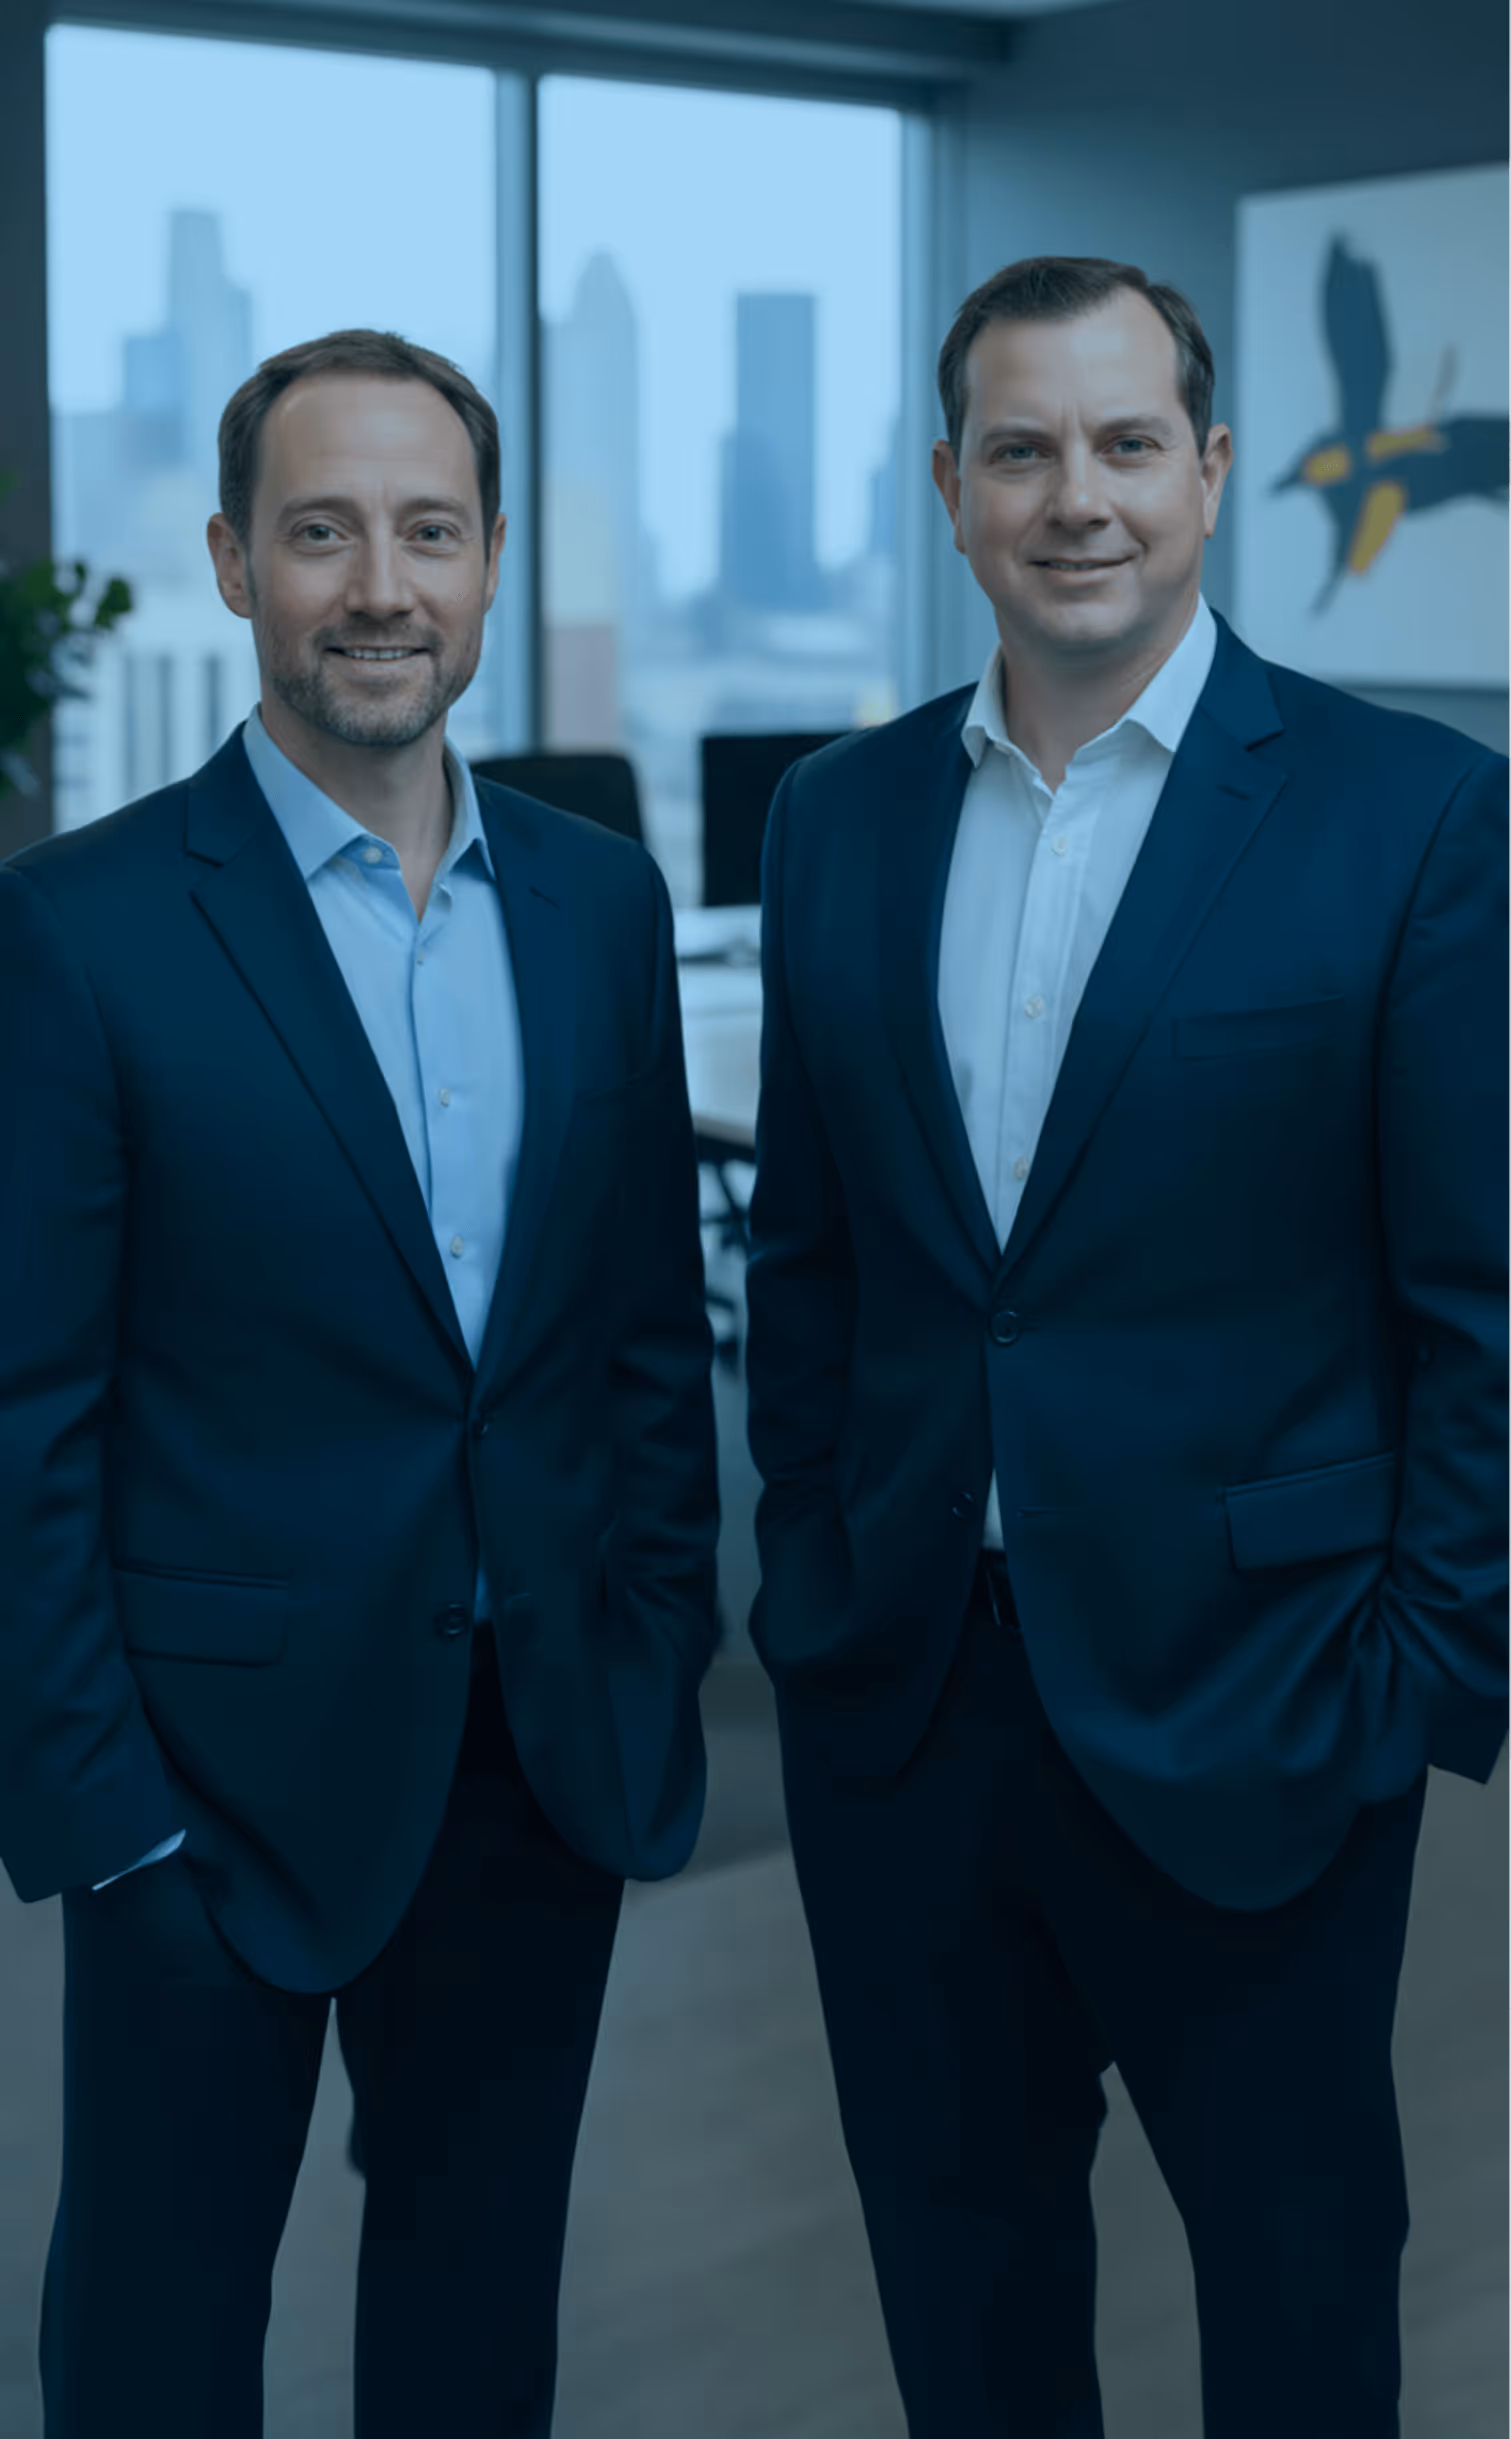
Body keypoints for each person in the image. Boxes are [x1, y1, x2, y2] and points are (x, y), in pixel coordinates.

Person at [743, 255, 1507, 2439]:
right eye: (1017, 448)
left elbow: (1479, 1304)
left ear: (1208, 469)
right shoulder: (836, 818)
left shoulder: (1409, 816)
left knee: (1291, 2308)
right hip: (901, 1705)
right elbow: (809, 1262)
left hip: (1260, 1707)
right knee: (962, 2313)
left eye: (1117, 442)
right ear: (945, 487)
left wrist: (1420, 1680)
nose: (1070, 495)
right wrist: (808, 1576)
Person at [0, 327, 720, 2439]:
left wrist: (651, 1642)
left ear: (493, 562)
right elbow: (23, 1407)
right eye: (321, 532)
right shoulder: (80, 928)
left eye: (426, 529)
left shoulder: (600, 904)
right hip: (199, 1795)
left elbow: (643, 1335)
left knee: (476, 2322)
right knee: (154, 2337)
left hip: (535, 1759)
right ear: (233, 561)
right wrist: (103, 1817)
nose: (378, 584)